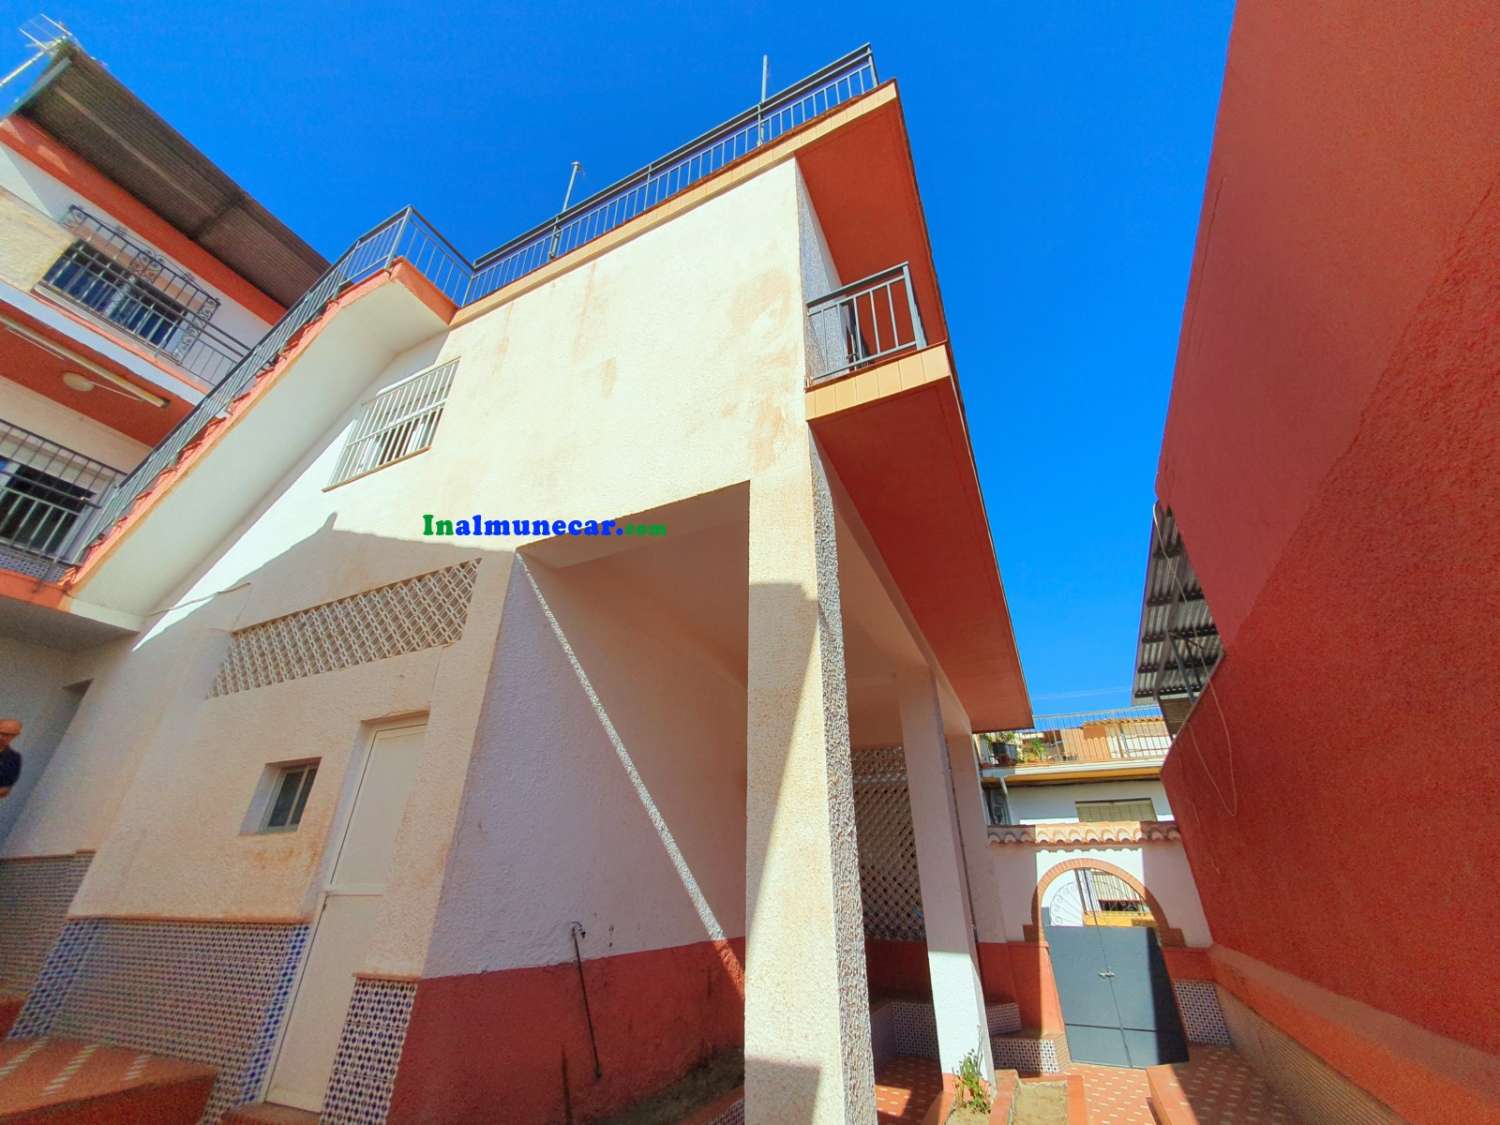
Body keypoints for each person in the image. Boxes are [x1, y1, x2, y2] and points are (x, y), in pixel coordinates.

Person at [0, 718, 21, 798]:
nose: (1, 737)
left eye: (6, 734)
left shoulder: (13, 759)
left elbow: (5, 789)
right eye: (0, 732)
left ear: (15, 735)